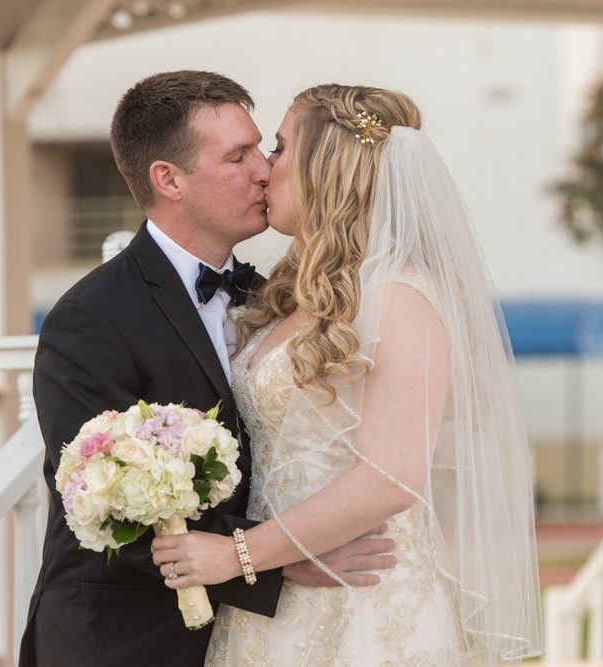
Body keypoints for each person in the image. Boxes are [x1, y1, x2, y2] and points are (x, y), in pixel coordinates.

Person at [151, 84, 543, 665]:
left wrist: (239, 554)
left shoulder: (400, 294)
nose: (264, 169)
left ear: (325, 169)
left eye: (280, 149)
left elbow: (392, 475)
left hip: (364, 605)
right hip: (280, 598)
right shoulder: (293, 298)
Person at [20, 72, 395, 667]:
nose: (263, 171)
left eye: (262, 149)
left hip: (254, 634)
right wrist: (277, 558)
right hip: (123, 641)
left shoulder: (275, 298)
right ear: (168, 179)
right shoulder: (90, 318)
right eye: (237, 156)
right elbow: (99, 495)